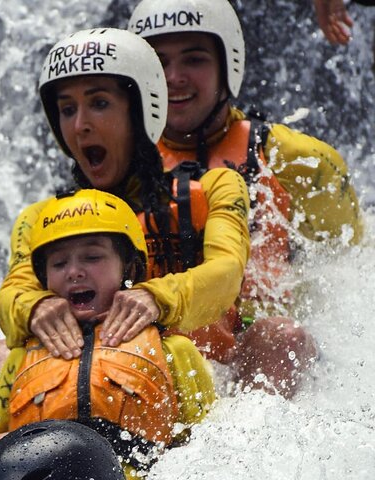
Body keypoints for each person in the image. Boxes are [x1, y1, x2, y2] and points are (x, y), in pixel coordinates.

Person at [0, 27, 251, 479]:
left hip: (208, 370)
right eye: (67, 109)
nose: (80, 126)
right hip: (106, 383)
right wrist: (34, 306)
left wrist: (158, 297)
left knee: (282, 335)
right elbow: (12, 291)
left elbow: (228, 271)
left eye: (99, 104)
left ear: (142, 108)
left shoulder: (213, 188)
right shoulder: (40, 218)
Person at [128, 0, 362, 396]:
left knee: (280, 336)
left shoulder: (299, 161)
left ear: (227, 66)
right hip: (160, 346)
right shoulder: (121, 164)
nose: (174, 78)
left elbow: (351, 269)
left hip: (263, 350)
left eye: (194, 60)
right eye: (158, 62)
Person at [0, 188, 214, 478]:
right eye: (59, 263)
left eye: (93, 257)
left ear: (129, 268)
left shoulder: (173, 350)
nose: (74, 271)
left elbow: (210, 442)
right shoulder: (20, 359)